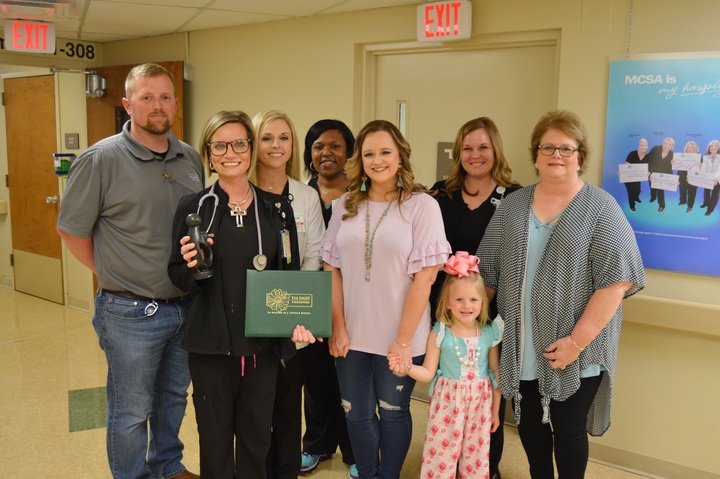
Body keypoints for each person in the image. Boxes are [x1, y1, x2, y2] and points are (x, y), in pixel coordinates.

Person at [478, 110, 645, 479]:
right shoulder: (513, 205)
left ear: (580, 156)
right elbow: (487, 270)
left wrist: (575, 342)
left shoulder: (601, 208)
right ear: (535, 155)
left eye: (566, 148)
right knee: (531, 429)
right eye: (547, 147)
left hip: (577, 350)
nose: (556, 154)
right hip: (522, 345)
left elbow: (616, 282)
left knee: (568, 431)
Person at [56, 63, 202, 479]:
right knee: (131, 410)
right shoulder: (100, 159)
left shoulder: (189, 156)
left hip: (185, 307)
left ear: (175, 102)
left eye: (165, 97)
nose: (158, 106)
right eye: (147, 97)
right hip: (129, 312)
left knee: (173, 398)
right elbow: (70, 230)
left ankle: (168, 466)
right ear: (127, 104)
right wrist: (114, 274)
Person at [168, 110, 313, 479]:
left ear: (250, 149)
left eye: (239, 143)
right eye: (220, 145)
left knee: (256, 441)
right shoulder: (194, 208)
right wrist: (191, 267)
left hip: (261, 349)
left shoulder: (276, 209)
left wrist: (299, 322)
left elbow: (290, 276)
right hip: (211, 348)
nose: (230, 152)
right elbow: (177, 277)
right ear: (209, 153)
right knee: (215, 443)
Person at [323, 119, 451, 479]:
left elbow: (425, 278)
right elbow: (331, 270)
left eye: (385, 152)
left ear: (400, 156)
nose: (377, 160)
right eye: (368, 154)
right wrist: (338, 327)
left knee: (393, 410)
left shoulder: (422, 206)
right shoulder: (344, 205)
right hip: (352, 334)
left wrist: (403, 340)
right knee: (356, 412)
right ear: (359, 160)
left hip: (400, 334)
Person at [430, 116, 520, 479]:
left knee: (486, 391)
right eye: (467, 148)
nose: (475, 154)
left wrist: (481, 301)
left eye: (483, 147)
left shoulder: (514, 197)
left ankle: (487, 467)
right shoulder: (442, 194)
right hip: (448, 310)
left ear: (495, 149)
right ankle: (446, 462)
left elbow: (515, 255)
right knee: (449, 390)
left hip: (488, 313)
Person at [250, 110, 326, 479]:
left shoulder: (306, 196)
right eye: (266, 137)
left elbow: (313, 257)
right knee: (253, 407)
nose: (276, 146)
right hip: (251, 320)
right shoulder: (241, 191)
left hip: (294, 319)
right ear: (253, 143)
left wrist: (298, 309)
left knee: (287, 404)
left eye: (283, 138)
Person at [389, 251, 502, 479]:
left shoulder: (490, 333)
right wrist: (407, 366)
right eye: (459, 299)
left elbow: (495, 375)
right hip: (447, 403)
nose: (466, 306)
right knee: (441, 455)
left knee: (475, 459)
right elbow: (428, 372)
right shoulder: (440, 332)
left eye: (473, 300)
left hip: (481, 403)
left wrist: (495, 412)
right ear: (447, 302)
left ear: (482, 302)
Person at [300, 119, 357, 475]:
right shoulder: (301, 196)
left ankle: (355, 450)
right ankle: (318, 445)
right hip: (309, 297)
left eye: (335, 146)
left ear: (349, 152)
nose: (327, 153)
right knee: (316, 376)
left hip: (354, 299)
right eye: (319, 146)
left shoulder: (365, 195)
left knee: (352, 378)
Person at [647, 137, 675, 212]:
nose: (667, 146)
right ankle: (653, 197)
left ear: (672, 146)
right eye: (666, 143)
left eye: (670, 145)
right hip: (652, 172)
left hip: (662, 175)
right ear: (663, 143)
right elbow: (648, 158)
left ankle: (662, 206)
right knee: (652, 187)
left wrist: (671, 178)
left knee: (660, 191)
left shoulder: (672, 154)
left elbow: (670, 168)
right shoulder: (656, 148)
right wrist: (649, 172)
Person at [623, 138, 648, 212]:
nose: (643, 147)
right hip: (629, 178)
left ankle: (636, 198)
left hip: (638, 178)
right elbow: (626, 165)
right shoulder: (632, 154)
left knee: (638, 190)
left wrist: (648, 172)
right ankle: (632, 205)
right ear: (639, 146)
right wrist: (622, 171)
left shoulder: (647, 157)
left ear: (647, 146)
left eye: (645, 145)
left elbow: (648, 167)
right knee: (631, 192)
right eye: (641, 145)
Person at [678, 140, 700, 213]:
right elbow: (679, 167)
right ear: (686, 148)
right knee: (682, 190)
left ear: (695, 149)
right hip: (682, 176)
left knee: (692, 192)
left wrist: (701, 166)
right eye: (689, 147)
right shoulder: (682, 156)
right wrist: (677, 177)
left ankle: (690, 206)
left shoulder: (699, 157)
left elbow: (702, 169)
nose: (690, 149)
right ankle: (683, 201)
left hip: (694, 178)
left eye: (692, 148)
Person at [700, 139, 720, 216]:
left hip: (717, 179)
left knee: (714, 194)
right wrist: (700, 167)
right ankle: (706, 203)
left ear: (718, 148)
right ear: (709, 148)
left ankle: (710, 209)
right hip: (707, 178)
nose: (713, 147)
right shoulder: (705, 157)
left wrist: (716, 179)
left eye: (716, 146)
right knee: (706, 191)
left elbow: (719, 169)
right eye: (711, 146)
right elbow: (704, 169)